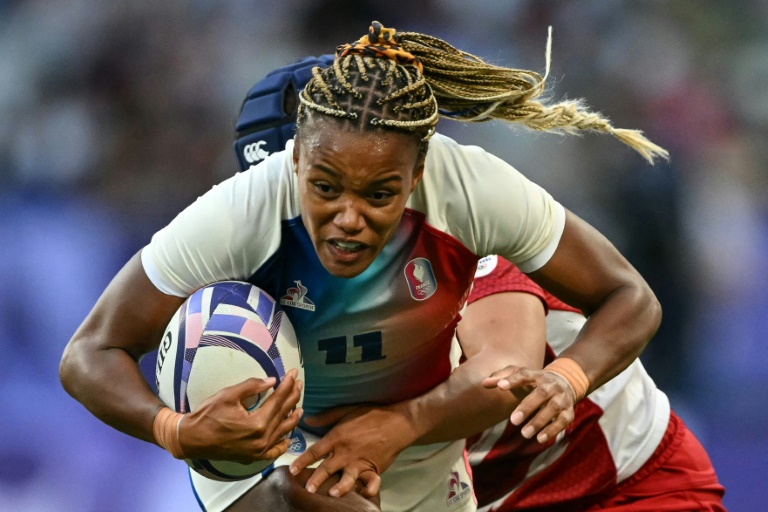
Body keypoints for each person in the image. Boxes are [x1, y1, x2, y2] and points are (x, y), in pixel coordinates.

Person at [60, 21, 669, 512]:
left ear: (420, 173)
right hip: (293, 465)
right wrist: (173, 429)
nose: (348, 218)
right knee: (306, 495)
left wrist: (567, 379)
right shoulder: (240, 212)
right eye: (324, 187)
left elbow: (618, 305)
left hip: (583, 466)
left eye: (378, 194)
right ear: (293, 163)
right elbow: (89, 352)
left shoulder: (471, 192)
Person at [462, 255, 726, 511]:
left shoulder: (473, 234)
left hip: (625, 479)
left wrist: (568, 377)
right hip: (490, 496)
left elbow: (634, 297)